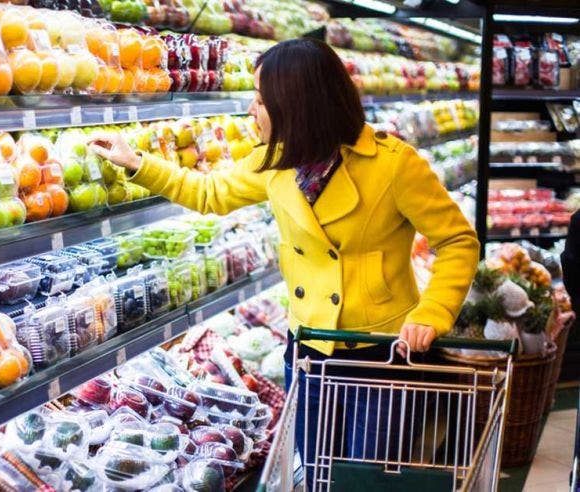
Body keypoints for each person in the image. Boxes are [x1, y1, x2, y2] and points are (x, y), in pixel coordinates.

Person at [88, 38, 480, 488]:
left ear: (298, 105)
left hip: (382, 354)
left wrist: (432, 313)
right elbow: (209, 192)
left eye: (260, 101)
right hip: (310, 348)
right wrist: (137, 161)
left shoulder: (394, 165)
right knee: (314, 473)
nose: (251, 112)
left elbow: (458, 242)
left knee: (363, 478)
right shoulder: (275, 163)